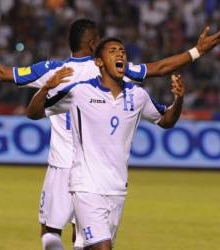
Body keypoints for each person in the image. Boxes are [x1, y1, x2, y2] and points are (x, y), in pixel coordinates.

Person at [0, 18, 220, 250]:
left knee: (51, 232)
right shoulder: (117, 72)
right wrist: (197, 51)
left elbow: (2, 73)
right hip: (96, 170)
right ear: (94, 45)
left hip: (63, 163)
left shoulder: (53, 70)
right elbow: (161, 68)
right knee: (86, 239)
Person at [26, 37, 185, 250]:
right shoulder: (79, 91)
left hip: (117, 188)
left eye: (122, 51)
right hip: (86, 186)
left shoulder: (138, 96)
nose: (120, 54)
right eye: (113, 51)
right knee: (103, 247)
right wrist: (46, 88)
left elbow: (166, 121)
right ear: (99, 62)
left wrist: (179, 101)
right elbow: (34, 113)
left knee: (84, 247)